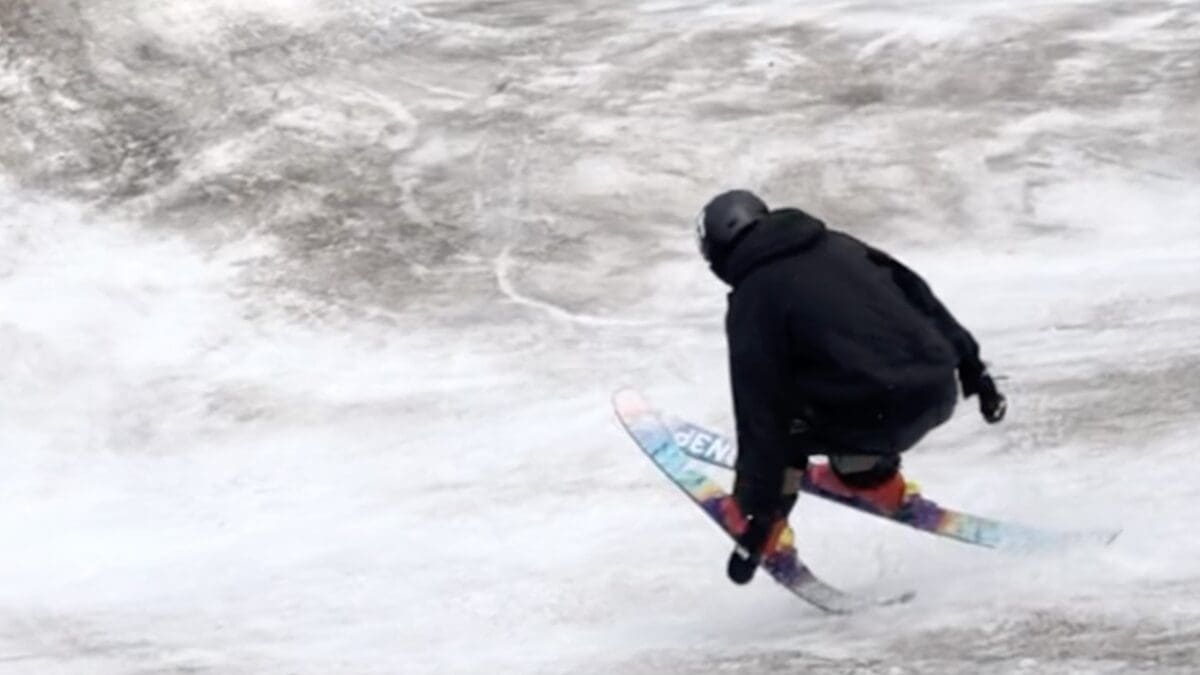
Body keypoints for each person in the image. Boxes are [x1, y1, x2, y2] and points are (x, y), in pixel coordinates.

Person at [694, 189, 1007, 584]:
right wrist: (974, 371)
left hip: (879, 417)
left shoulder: (754, 298)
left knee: (787, 428)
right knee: (852, 381)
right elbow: (919, 296)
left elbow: (761, 414)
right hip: (935, 388)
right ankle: (871, 480)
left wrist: (755, 520)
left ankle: (775, 527)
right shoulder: (839, 246)